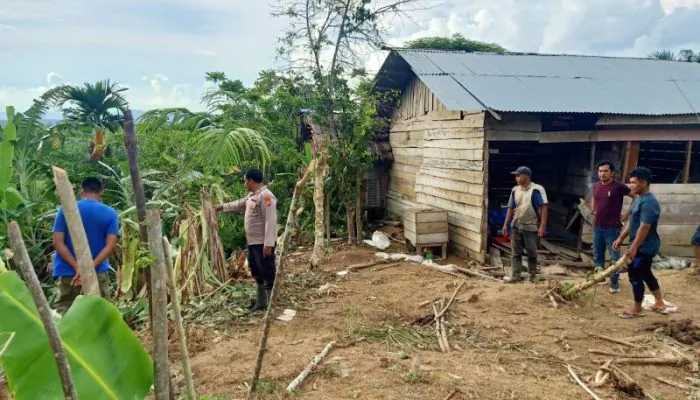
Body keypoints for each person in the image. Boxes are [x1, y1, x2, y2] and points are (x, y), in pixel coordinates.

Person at [52, 177, 119, 314]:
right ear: (101, 193)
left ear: (81, 192)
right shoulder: (110, 214)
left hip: (68, 272)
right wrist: (88, 268)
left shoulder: (65, 210)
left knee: (66, 311)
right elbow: (110, 246)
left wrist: (78, 267)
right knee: (100, 313)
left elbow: (58, 242)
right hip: (97, 271)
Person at [215, 169, 278, 312]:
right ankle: (261, 302)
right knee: (256, 271)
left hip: (263, 243)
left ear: (251, 180)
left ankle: (271, 304)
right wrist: (221, 207)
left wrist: (268, 244)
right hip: (253, 242)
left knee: (267, 272)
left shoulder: (266, 196)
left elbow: (271, 220)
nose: (244, 183)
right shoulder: (252, 196)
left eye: (245, 180)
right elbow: (238, 205)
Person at [613, 167, 667, 319]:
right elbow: (632, 222)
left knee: (635, 276)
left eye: (633, 183)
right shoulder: (638, 199)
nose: (631, 186)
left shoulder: (650, 202)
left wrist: (635, 247)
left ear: (644, 183)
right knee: (646, 273)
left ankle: (636, 309)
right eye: (630, 183)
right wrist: (621, 238)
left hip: (646, 246)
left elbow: (644, 226)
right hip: (640, 245)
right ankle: (659, 302)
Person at [591, 160, 633, 294]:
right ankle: (600, 278)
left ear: (612, 173)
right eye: (600, 171)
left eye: (605, 171)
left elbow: (636, 197)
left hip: (612, 229)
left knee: (614, 257)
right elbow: (594, 196)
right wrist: (593, 208)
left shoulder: (618, 186)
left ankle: (614, 284)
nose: (602, 174)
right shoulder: (596, 186)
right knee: (598, 255)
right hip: (598, 226)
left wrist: (626, 214)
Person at [502, 166, 549, 283]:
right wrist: (505, 224)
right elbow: (510, 208)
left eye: (518, 175)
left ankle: (532, 277)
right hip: (516, 225)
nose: (516, 178)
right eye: (516, 175)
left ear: (526, 176)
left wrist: (542, 226)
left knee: (532, 252)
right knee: (515, 253)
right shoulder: (515, 190)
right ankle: (515, 276)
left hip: (531, 226)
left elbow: (544, 207)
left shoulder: (537, 189)